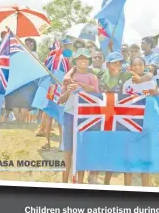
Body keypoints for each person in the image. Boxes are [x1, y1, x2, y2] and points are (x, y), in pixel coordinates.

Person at [63, 52, 154, 185]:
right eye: (114, 62)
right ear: (108, 64)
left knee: (113, 149)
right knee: (99, 147)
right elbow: (79, 67)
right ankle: (93, 177)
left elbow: (149, 75)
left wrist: (142, 79)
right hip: (99, 116)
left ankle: (107, 184)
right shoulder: (99, 73)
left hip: (119, 119)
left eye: (120, 62)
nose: (117, 65)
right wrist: (68, 74)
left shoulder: (127, 74)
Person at [59, 48, 100, 184]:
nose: (83, 60)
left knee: (81, 149)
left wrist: (85, 87)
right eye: (80, 58)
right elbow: (60, 100)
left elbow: (98, 97)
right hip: (69, 115)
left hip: (86, 116)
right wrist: (69, 91)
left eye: (85, 58)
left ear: (88, 61)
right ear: (75, 60)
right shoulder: (68, 77)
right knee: (68, 150)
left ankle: (80, 183)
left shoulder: (93, 77)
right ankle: (64, 182)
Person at [122, 56, 159, 187]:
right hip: (131, 125)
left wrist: (153, 91)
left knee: (146, 159)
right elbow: (123, 105)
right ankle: (127, 187)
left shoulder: (151, 82)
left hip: (147, 125)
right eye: (134, 65)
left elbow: (158, 97)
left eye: (140, 65)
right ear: (130, 67)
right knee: (129, 158)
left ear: (144, 66)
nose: (137, 67)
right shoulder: (127, 84)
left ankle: (146, 188)